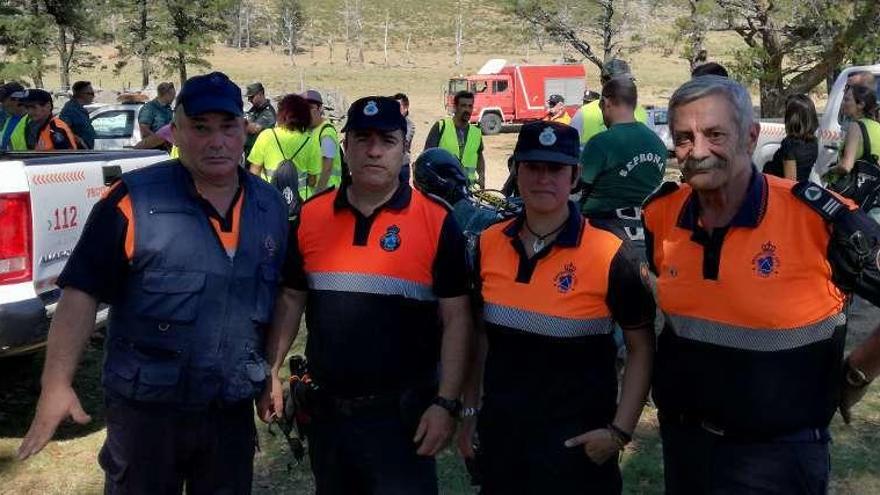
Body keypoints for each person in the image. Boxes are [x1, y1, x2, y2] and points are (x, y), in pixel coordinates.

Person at [17, 71, 289, 494]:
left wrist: (270, 371)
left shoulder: (269, 205)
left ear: (244, 131)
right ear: (176, 131)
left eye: (227, 127)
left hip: (228, 409)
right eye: (200, 128)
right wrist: (56, 383)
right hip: (147, 413)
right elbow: (81, 293)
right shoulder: (133, 200)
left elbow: (274, 299)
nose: (216, 141)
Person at [643, 75, 880, 494]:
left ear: (751, 136)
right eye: (683, 138)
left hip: (781, 456)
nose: (697, 151)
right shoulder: (661, 215)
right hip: (687, 447)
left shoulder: (822, 220)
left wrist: (858, 372)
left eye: (715, 134)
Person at [259, 96, 472, 495]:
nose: (374, 150)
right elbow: (290, 300)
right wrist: (271, 370)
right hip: (329, 416)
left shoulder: (437, 221)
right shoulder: (311, 216)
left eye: (387, 140)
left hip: (405, 418)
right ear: (346, 147)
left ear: (405, 149)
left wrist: (446, 404)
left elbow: (458, 319)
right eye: (362, 138)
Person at [459, 121, 655, 494]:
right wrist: (470, 413)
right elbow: (479, 338)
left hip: (576, 451)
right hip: (504, 445)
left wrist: (619, 431)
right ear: (516, 170)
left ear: (575, 175)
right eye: (533, 167)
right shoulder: (487, 244)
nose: (543, 179)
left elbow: (641, 347)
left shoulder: (609, 251)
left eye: (555, 168)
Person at [580, 76, 666, 221]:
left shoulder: (601, 142)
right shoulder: (658, 143)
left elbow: (578, 185)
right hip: (646, 226)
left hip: (601, 227)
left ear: (606, 103)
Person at [248, 93, 316, 200]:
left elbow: (254, 173)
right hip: (301, 204)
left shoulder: (267, 136)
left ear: (281, 114)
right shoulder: (310, 141)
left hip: (270, 201)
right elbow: (312, 181)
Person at [571, 59, 649, 151]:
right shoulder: (584, 114)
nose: (623, 85)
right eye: (617, 82)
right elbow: (569, 153)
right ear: (602, 82)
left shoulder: (641, 113)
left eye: (627, 81)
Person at [830, 85, 880, 221]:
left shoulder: (855, 126)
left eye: (847, 100)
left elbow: (846, 166)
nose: (843, 103)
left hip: (854, 200)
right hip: (872, 198)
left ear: (861, 104)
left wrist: (828, 172)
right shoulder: (877, 127)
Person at [425, 90, 486, 188]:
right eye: (463, 105)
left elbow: (479, 157)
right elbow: (427, 156)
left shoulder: (476, 132)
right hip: (443, 188)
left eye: (470, 106)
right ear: (455, 107)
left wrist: (482, 176)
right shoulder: (441, 126)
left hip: (467, 190)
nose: (467, 109)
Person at [763, 94, 819, 182]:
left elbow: (790, 182)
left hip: (778, 191)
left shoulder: (790, 145)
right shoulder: (813, 143)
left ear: (792, 119)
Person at [301, 89, 342, 192]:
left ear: (320, 108)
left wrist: (319, 193)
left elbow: (328, 164)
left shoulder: (326, 131)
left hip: (327, 193)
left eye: (310, 107)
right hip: (310, 195)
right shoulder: (307, 132)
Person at [59, 80, 96, 149]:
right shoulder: (70, 110)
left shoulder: (81, 109)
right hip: (78, 153)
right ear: (81, 94)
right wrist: (79, 141)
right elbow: (61, 130)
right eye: (91, 93)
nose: (93, 96)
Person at [245, 82, 276, 156]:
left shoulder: (269, 112)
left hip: (262, 156)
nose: (249, 100)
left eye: (251, 97)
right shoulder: (254, 109)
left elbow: (254, 129)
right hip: (249, 153)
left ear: (260, 94)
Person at [393, 92, 416, 182]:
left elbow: (403, 141)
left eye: (398, 107)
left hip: (402, 166)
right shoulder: (388, 123)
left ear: (406, 108)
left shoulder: (410, 125)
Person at [0, 82, 27, 151]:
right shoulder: (9, 119)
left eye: (4, 101)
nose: (2, 105)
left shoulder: (32, 121)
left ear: (16, 99)